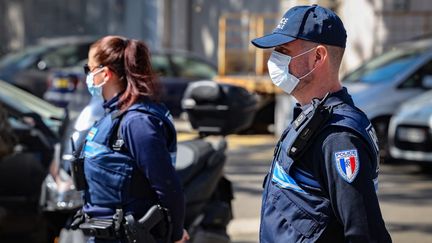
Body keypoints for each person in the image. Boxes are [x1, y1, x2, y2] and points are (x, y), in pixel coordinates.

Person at [251, 5, 392, 242]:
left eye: (283, 50)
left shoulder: (338, 137)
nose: (274, 59)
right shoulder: (311, 115)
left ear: (318, 57)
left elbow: (365, 233)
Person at [71, 36, 189, 243]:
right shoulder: (112, 115)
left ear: (105, 74)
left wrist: (177, 234)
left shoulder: (138, 122)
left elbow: (167, 185)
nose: (87, 76)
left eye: (88, 69)